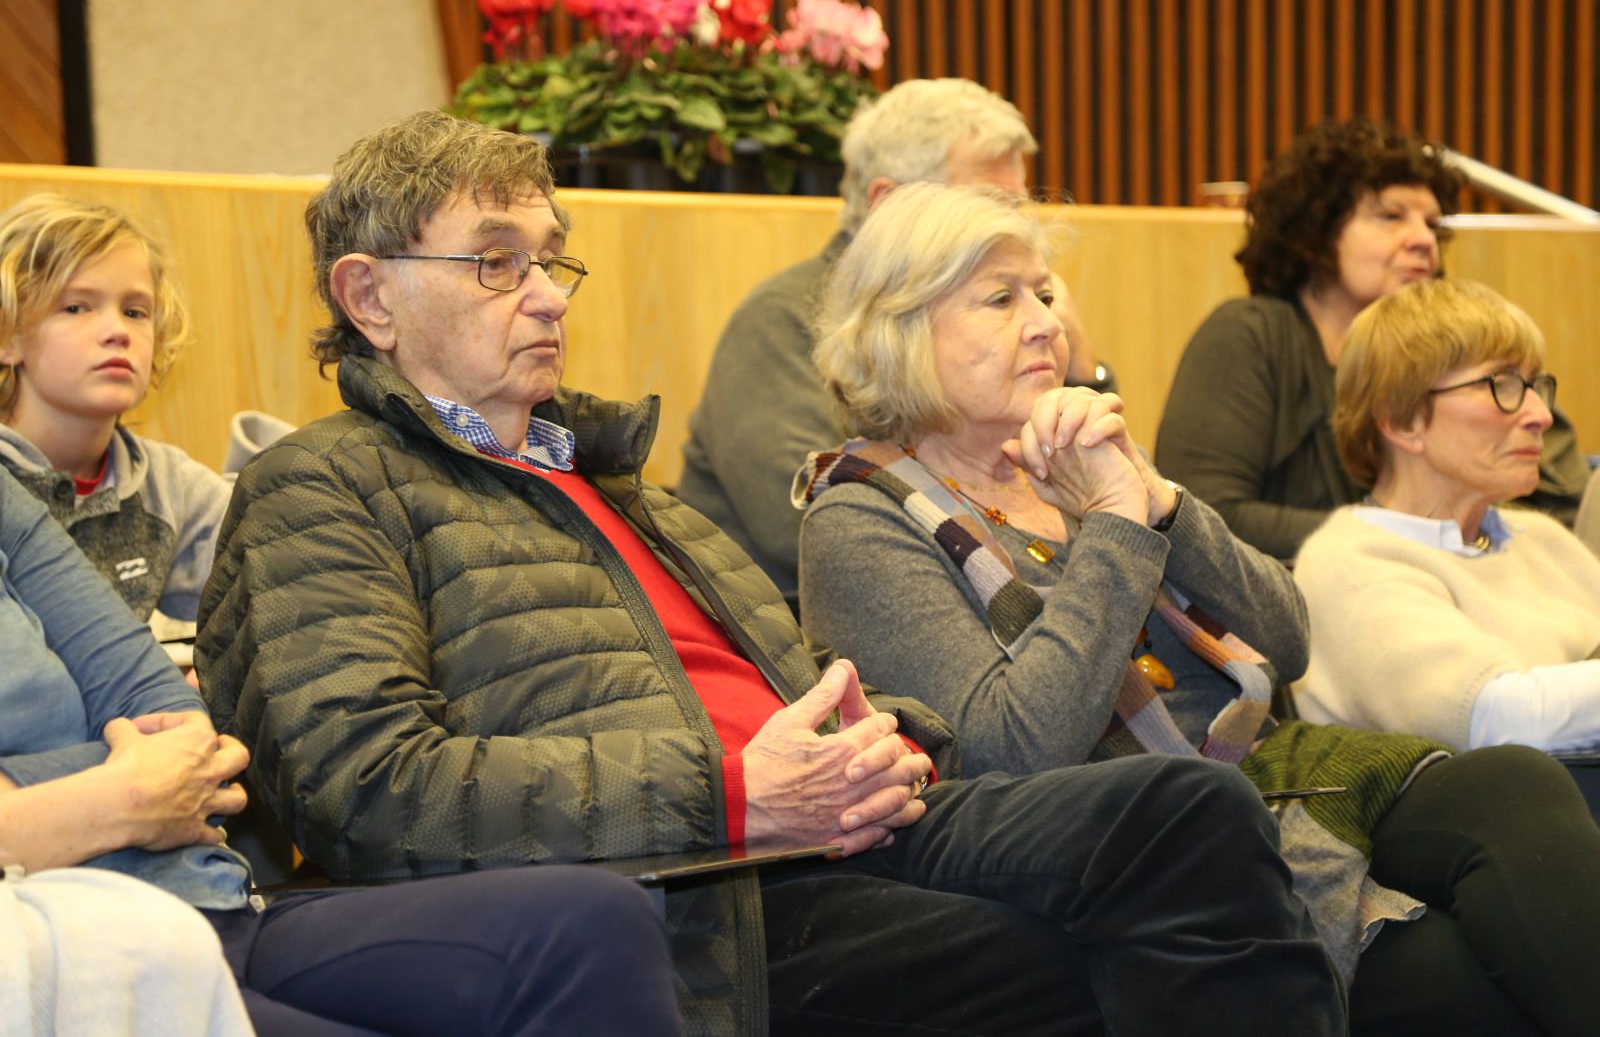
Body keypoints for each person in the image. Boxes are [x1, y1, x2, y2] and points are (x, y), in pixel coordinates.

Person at [197, 110, 1347, 1037]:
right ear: (369, 296)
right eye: (498, 262)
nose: (547, 293)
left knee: (1184, 809)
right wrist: (736, 790)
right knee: (1085, 951)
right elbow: (366, 788)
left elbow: (796, 690)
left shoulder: (625, 487)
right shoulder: (321, 487)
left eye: (550, 258)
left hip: (840, 824)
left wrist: (894, 734)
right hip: (695, 882)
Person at [796, 182, 1600, 1037]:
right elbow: (1011, 749)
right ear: (901, 330)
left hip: (1273, 771)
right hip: (1141, 847)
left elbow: (1286, 641)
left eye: (1044, 293)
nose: (1044, 323)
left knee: (1514, 783)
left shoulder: (1074, 458)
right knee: (1472, 979)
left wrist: (1159, 499)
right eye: (1001, 299)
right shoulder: (859, 519)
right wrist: (1116, 523)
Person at [0, 463, 683, 1036]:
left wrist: (43, 804)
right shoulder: (319, 479)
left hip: (207, 899)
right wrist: (126, 795)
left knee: (596, 921)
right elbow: (347, 773)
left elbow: (179, 726)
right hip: (63, 953)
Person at [678, 77, 1112, 608]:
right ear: (887, 203)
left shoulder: (1018, 313)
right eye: (983, 203)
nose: (1008, 227)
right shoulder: (782, 317)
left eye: (1017, 208)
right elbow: (799, 521)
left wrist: (1085, 376)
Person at [1154, 117, 1589, 562]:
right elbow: (1200, 515)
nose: (1424, 240)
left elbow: (1567, 501)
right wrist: (1412, 536)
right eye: (1390, 217)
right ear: (1318, 230)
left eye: (1432, 225)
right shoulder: (1251, 334)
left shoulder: (1458, 351)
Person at [1294, 278, 1600, 761]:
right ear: (1402, 421)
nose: (1541, 415)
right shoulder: (1350, 562)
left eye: (1535, 385)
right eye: (1502, 384)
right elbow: (1498, 719)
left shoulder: (1543, 539)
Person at [0, 195, 231, 626]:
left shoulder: (166, 485)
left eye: (134, 312)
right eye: (75, 307)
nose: (117, 331)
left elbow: (275, 576)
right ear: (8, 335)